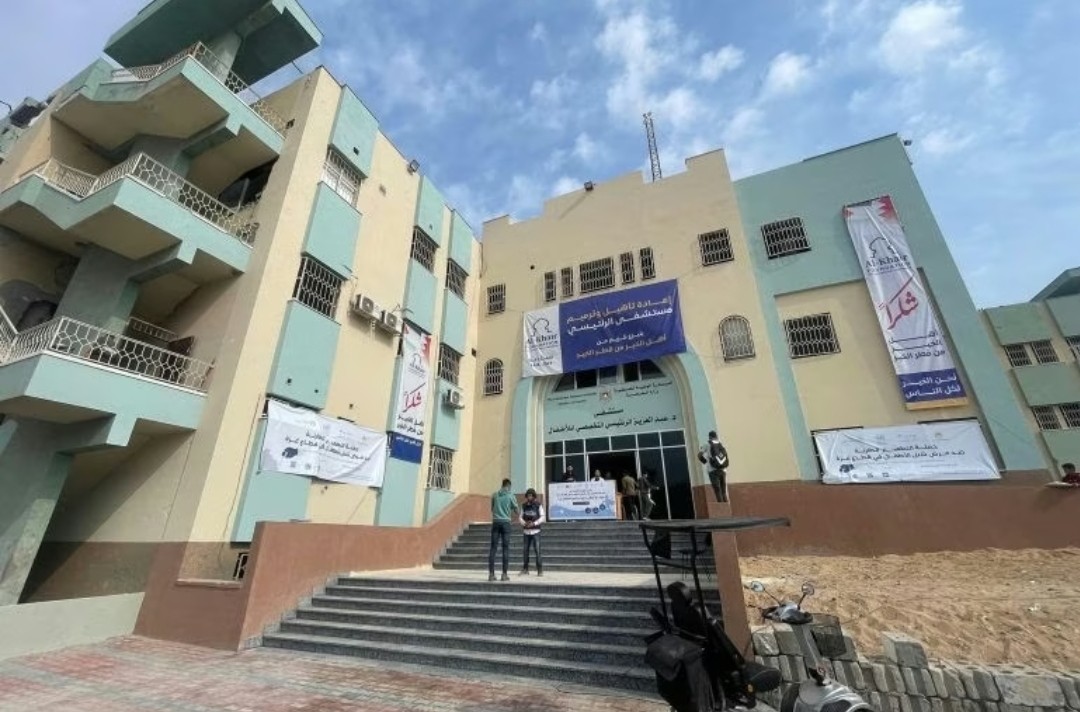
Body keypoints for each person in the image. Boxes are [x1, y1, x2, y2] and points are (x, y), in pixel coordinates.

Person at [488, 478, 518, 581]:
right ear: (509, 486)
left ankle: (491, 574)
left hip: (496, 522)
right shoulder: (511, 495)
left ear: (502, 485)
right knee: (505, 549)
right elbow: (516, 510)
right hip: (506, 523)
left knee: (493, 548)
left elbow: (492, 509)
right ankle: (504, 574)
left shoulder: (495, 495)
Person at [698, 430, 730, 503]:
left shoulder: (707, 444)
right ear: (716, 436)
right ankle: (726, 507)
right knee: (723, 491)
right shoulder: (721, 444)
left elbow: (699, 455)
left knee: (717, 491)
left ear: (710, 437)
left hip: (712, 470)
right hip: (723, 469)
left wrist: (705, 462)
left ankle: (721, 507)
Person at [519, 488, 545, 576]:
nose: (529, 497)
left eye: (531, 495)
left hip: (536, 531)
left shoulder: (538, 505)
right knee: (525, 551)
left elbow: (542, 517)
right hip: (526, 532)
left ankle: (540, 570)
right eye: (528, 495)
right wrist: (524, 523)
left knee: (537, 551)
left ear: (534, 496)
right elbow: (520, 517)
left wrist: (534, 523)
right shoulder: (523, 505)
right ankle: (525, 569)